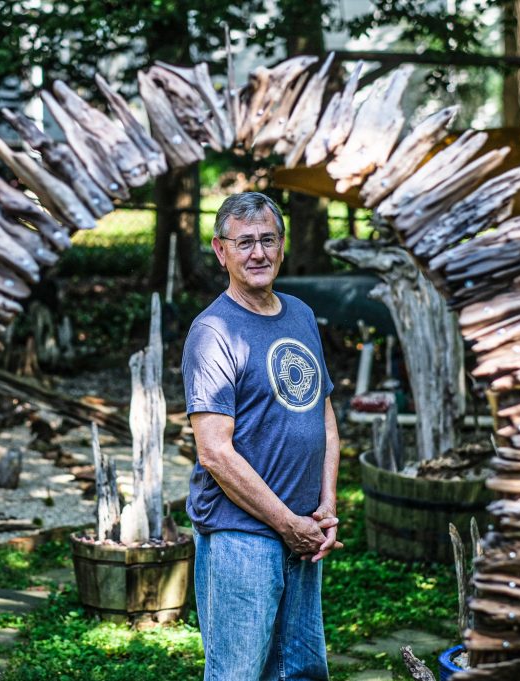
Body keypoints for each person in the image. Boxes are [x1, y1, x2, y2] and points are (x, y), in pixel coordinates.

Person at [181, 192, 341, 681]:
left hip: (304, 532)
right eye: (244, 242)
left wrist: (325, 507)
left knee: (301, 673)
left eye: (267, 239)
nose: (258, 253)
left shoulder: (300, 314)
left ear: (282, 244)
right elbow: (213, 452)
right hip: (242, 535)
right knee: (238, 674)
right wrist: (285, 522)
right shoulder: (213, 331)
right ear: (220, 250)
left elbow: (326, 417)